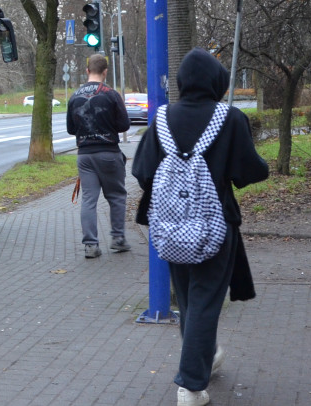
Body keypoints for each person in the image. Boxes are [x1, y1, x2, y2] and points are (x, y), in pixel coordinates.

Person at [131, 48, 269, 406]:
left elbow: (142, 172)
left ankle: (206, 357)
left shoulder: (161, 119)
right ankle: (191, 386)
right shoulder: (230, 119)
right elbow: (249, 171)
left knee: (192, 300)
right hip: (215, 227)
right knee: (207, 300)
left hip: (171, 228)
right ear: (216, 82)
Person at [66, 53, 131, 258]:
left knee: (88, 200)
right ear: (105, 72)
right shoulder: (111, 95)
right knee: (116, 196)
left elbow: (70, 128)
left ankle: (90, 245)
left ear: (87, 71)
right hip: (109, 153)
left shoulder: (75, 96)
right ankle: (118, 239)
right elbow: (124, 125)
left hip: (85, 155)